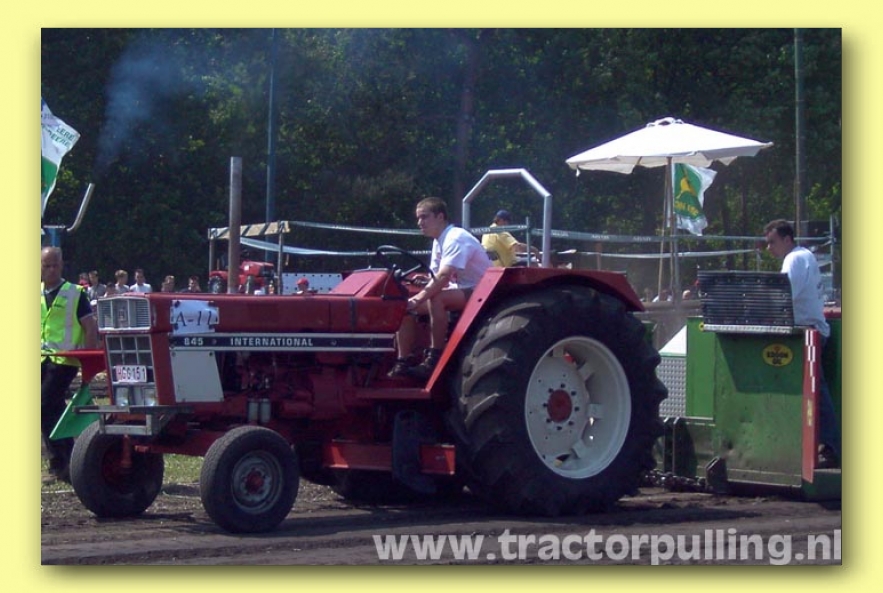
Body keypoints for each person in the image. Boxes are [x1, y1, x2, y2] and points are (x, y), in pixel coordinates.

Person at [764, 219, 840, 468]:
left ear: (787, 239)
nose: (769, 248)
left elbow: (784, 296)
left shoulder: (794, 259)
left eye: (772, 242)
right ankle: (821, 445)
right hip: (812, 331)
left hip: (807, 333)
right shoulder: (804, 256)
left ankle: (830, 447)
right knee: (813, 390)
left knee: (815, 392)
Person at [389, 197, 491, 380]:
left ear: (440, 217)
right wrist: (426, 281)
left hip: (482, 291)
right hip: (462, 288)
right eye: (418, 218)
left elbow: (443, 277)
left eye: (424, 217)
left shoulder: (456, 238)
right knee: (403, 307)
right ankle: (403, 361)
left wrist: (418, 298)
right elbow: (437, 276)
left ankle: (434, 357)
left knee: (436, 298)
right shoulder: (439, 241)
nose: (420, 223)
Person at [41, 247, 99, 483]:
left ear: (62, 265)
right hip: (41, 358)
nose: (51, 270)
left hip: (64, 360)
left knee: (44, 405)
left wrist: (88, 359)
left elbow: (89, 327)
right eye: (46, 265)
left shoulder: (75, 293)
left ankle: (60, 462)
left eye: (55, 265)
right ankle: (70, 461)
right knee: (52, 409)